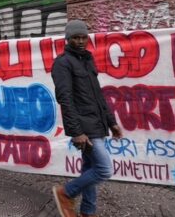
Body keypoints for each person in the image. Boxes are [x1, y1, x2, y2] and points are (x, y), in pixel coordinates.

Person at [51, 20, 122, 217]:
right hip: (84, 126)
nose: (81, 41)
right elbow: (65, 99)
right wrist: (76, 132)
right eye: (76, 38)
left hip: (97, 122)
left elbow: (98, 95)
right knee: (104, 169)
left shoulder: (88, 60)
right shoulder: (62, 63)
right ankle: (66, 193)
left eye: (83, 37)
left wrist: (111, 122)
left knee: (89, 167)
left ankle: (87, 211)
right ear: (68, 39)